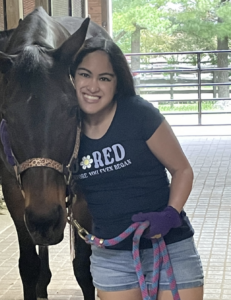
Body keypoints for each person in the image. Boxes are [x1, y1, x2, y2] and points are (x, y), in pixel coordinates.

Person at [70, 37, 204, 300]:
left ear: (117, 82)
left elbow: (182, 170)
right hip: (112, 259)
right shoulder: (66, 127)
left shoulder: (139, 114)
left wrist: (170, 214)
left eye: (105, 78)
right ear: (73, 77)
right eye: (85, 75)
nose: (93, 86)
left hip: (169, 246)